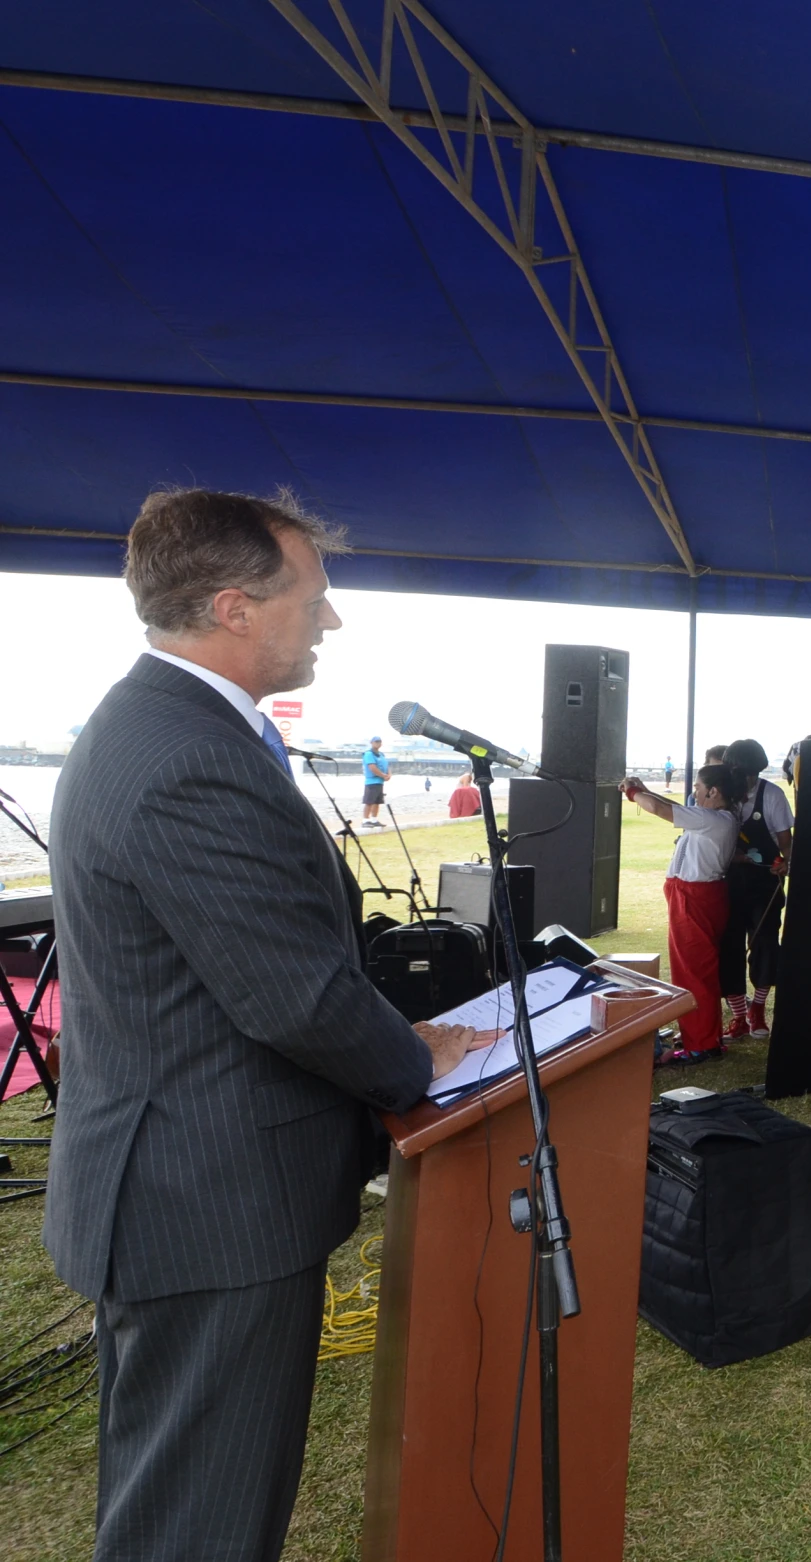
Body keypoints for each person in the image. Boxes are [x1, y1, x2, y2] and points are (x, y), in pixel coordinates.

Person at [46, 489, 492, 1561]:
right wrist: (412, 1055)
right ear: (236, 606)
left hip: (183, 1183)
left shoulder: (169, 724)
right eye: (316, 596)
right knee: (199, 1518)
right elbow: (291, 991)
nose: (330, 621)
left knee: (177, 1493)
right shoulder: (187, 756)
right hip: (207, 1201)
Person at [624, 765, 745, 1064]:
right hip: (697, 896)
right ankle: (702, 1036)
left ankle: (700, 1044)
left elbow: (659, 810)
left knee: (693, 973)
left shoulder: (714, 819)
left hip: (695, 899)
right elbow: (675, 808)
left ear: (713, 791)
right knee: (696, 971)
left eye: (698, 787)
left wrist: (632, 792)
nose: (694, 793)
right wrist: (645, 791)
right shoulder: (715, 818)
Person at [719, 738, 794, 1040]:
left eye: (751, 773)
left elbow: (785, 841)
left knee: (764, 944)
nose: (746, 779)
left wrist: (784, 862)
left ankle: (758, 1009)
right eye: (740, 772)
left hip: (764, 883)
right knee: (729, 945)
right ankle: (738, 1014)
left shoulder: (771, 795)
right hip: (726, 882)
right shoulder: (719, 793)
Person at [359, 734, 390, 825]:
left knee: (377, 802)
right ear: (371, 743)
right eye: (376, 742)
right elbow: (372, 767)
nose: (378, 743)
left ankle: (374, 819)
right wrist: (383, 775)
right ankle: (365, 820)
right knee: (369, 801)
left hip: (380, 782)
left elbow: (386, 766)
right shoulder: (368, 754)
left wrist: (388, 775)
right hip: (371, 781)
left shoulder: (381, 754)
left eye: (379, 742)